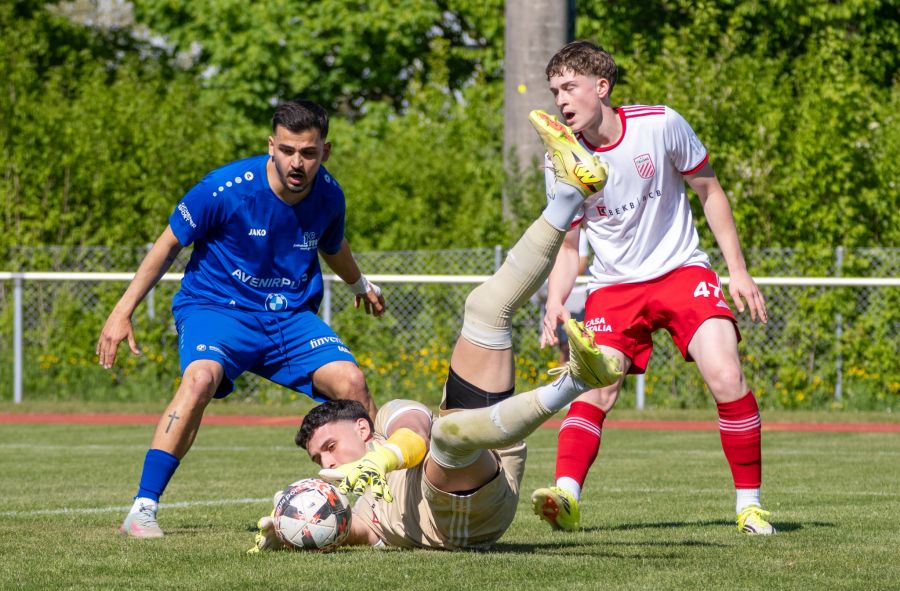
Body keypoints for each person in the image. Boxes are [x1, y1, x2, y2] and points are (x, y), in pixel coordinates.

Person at [249, 112, 622, 552]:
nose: (327, 463)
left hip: (478, 463)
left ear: (363, 429)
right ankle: (576, 380)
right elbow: (354, 531)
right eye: (319, 459)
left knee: (484, 308)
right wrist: (293, 531)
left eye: (329, 447)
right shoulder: (364, 503)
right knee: (452, 434)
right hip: (468, 509)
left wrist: (381, 460)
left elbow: (417, 430)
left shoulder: (387, 422)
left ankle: (571, 192)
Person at [97, 99, 385, 539]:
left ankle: (379, 500)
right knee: (199, 380)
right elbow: (167, 245)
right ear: (272, 146)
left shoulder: (329, 194)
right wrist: (122, 311)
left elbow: (333, 245)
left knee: (352, 382)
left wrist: (359, 283)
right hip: (217, 309)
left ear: (324, 152)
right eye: (287, 150)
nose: (297, 162)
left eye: (308, 153)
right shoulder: (225, 188)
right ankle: (143, 508)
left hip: (288, 317)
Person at [530, 41, 775, 536]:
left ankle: (750, 506)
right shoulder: (562, 161)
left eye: (570, 87)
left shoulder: (660, 123)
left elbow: (710, 190)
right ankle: (565, 496)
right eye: (555, 91)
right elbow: (569, 246)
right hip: (614, 288)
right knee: (597, 387)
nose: (561, 100)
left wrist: (738, 270)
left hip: (682, 271)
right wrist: (556, 300)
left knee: (726, 376)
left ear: (601, 87)